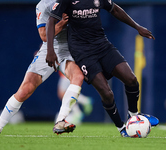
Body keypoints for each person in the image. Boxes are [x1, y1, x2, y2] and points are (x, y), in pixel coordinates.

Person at [46, 0, 159, 137]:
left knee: (131, 79)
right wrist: (50, 50)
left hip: (102, 45)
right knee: (107, 93)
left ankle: (134, 116)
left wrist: (137, 27)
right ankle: (121, 128)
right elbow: (51, 21)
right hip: (82, 52)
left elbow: (115, 10)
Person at [0, 0, 85, 136]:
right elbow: (44, 35)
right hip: (49, 48)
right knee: (24, 90)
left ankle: (60, 121)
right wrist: (62, 23)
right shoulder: (43, 4)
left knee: (78, 77)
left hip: (71, 48)